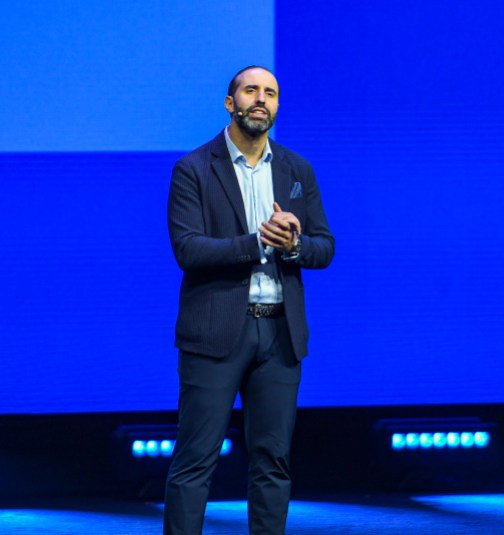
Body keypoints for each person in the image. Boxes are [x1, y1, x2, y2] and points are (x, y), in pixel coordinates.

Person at [163, 65, 335, 534]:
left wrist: (293, 246)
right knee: (196, 461)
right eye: (251, 91)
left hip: (279, 335)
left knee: (273, 462)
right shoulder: (194, 168)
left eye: (271, 93)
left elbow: (324, 246)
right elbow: (189, 248)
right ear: (230, 102)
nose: (262, 99)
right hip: (214, 334)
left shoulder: (297, 169)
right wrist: (259, 242)